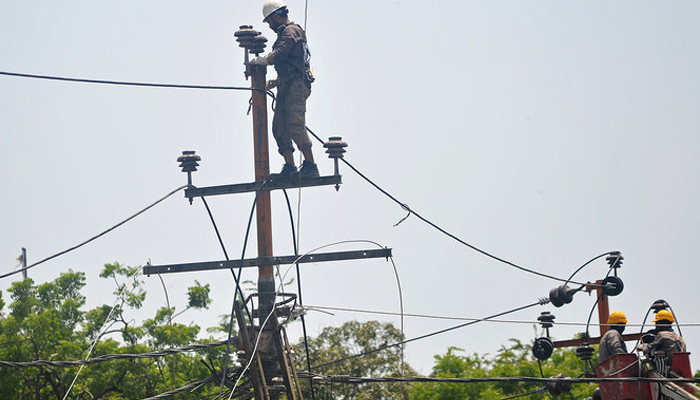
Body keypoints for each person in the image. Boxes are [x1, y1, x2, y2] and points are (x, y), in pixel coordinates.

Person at [250, 0, 319, 179]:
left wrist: (263, 60)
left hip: (296, 87)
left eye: (269, 21)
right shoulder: (284, 35)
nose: (270, 26)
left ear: (274, 16)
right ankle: (290, 166)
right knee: (279, 126)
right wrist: (273, 82)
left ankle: (311, 166)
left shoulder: (292, 31)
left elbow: (280, 56)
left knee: (295, 125)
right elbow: (289, 64)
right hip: (286, 85)